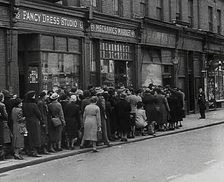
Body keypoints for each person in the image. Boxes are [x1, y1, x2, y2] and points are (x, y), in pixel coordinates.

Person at [23, 91, 42, 157]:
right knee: (35, 136)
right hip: (34, 121)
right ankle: (34, 151)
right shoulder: (34, 104)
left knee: (29, 136)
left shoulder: (24, 104)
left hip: (27, 120)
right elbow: (38, 114)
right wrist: (41, 120)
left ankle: (28, 150)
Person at [0, 92, 8, 160]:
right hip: (1, 122)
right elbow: (5, 115)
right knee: (1, 138)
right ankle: (2, 155)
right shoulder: (2, 105)